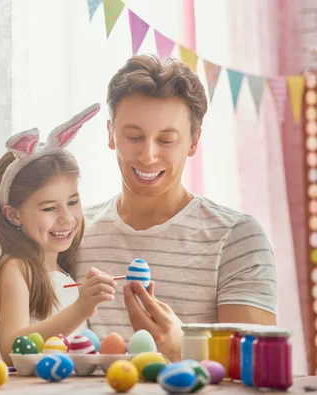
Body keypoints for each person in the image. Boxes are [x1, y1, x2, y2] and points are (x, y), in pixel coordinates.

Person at [76, 55, 277, 362]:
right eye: (134, 137)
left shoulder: (236, 238)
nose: (148, 155)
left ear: (194, 141)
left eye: (166, 140)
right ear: (110, 134)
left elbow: (258, 366)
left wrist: (183, 349)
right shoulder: (73, 232)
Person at [0, 103, 117, 367]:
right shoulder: (15, 269)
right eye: (49, 208)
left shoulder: (63, 273)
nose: (66, 218)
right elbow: (12, 350)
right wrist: (80, 308)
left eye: (72, 202)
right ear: (13, 215)